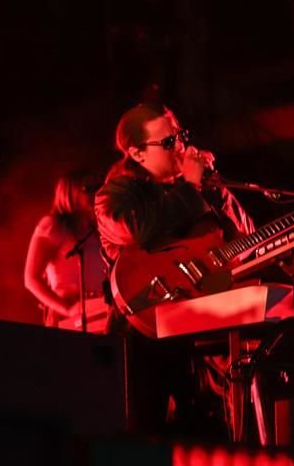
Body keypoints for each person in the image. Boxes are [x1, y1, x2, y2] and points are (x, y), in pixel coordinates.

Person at [94, 102, 253, 439]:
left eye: (180, 137)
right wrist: (190, 189)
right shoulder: (116, 195)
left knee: (209, 439)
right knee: (142, 438)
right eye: (167, 142)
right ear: (137, 154)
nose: (180, 147)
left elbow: (246, 241)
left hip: (201, 338)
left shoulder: (201, 190)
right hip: (143, 339)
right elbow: (136, 229)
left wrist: (214, 189)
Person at [23, 170, 107, 329]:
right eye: (87, 188)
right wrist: (67, 309)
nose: (95, 192)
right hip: (68, 312)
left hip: (99, 310)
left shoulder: (96, 227)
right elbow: (31, 279)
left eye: (97, 186)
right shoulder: (53, 225)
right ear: (69, 192)